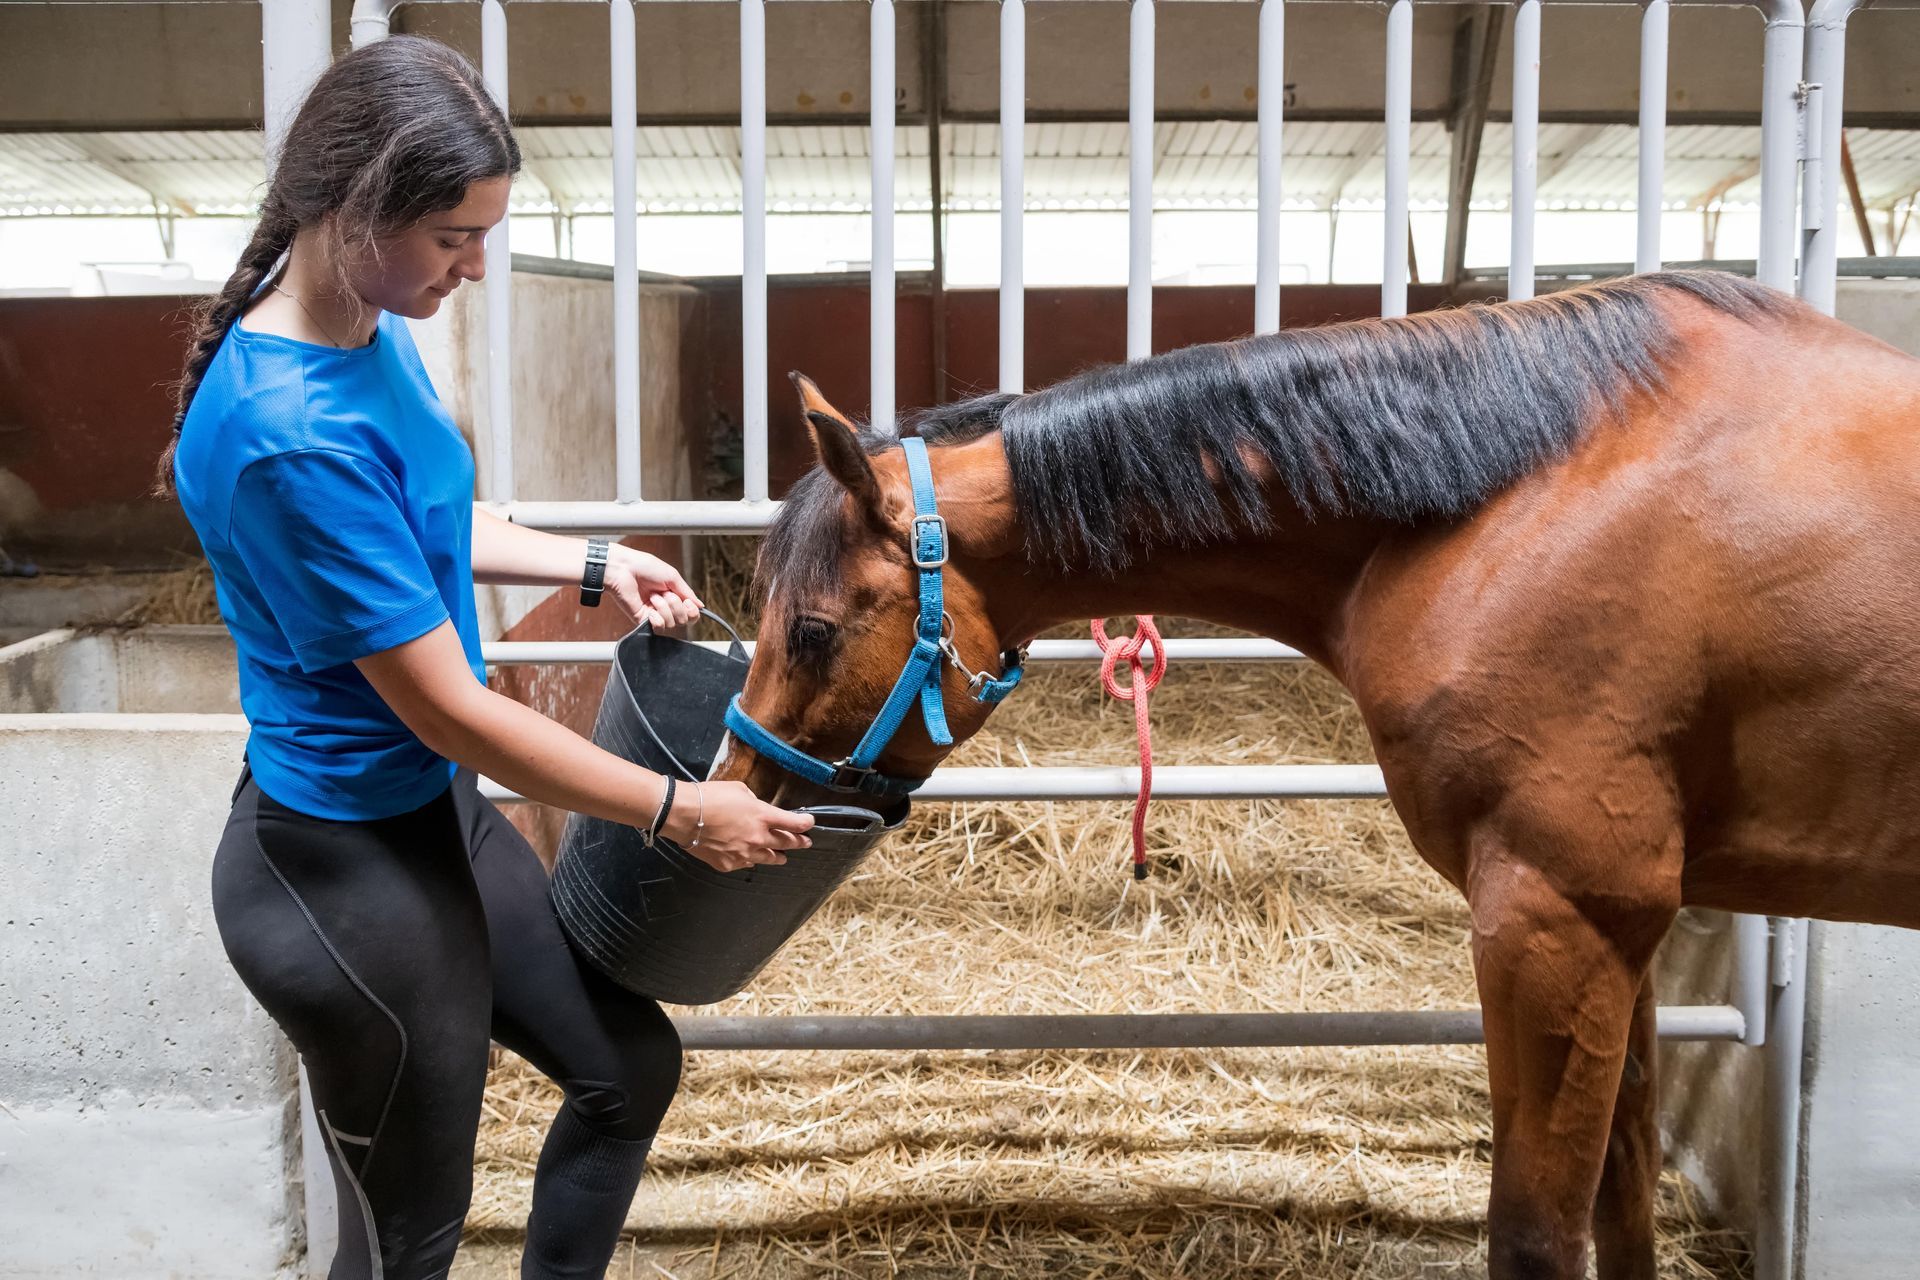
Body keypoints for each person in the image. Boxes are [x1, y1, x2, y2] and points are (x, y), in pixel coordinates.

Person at [157, 35, 815, 1280]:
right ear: (356, 207)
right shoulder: (283, 428)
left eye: (486, 231)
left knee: (625, 1069)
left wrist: (587, 561)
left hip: (430, 819)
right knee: (408, 1242)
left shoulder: (358, 319)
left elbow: (409, 521)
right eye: (456, 235)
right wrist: (685, 810)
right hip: (341, 868)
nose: (475, 262)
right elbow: (455, 711)